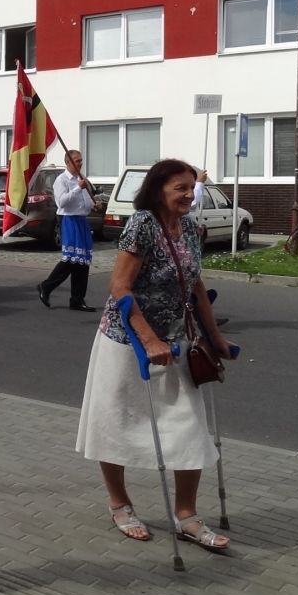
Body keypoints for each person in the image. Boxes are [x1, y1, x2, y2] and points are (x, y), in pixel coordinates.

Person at [75, 159, 232, 551]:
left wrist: (215, 337)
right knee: (117, 422)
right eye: (181, 188)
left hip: (177, 341)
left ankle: (187, 515)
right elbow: (119, 286)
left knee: (189, 426)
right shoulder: (142, 224)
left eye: (192, 187)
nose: (189, 194)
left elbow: (196, 285)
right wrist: (147, 340)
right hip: (127, 341)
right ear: (158, 189)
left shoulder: (190, 228)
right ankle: (119, 503)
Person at [37, 149, 99, 312]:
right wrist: (78, 188)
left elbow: (86, 201)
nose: (80, 163)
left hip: (81, 220)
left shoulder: (81, 179)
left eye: (81, 160)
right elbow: (62, 203)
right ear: (68, 162)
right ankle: (46, 286)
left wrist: (94, 205)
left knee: (83, 261)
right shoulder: (61, 180)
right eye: (77, 161)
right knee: (71, 259)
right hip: (69, 219)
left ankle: (77, 299)